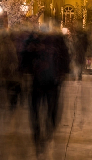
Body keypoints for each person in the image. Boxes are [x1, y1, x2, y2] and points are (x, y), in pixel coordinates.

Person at [21, 27, 70, 158]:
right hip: (52, 82)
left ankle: (38, 133)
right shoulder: (58, 43)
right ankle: (48, 128)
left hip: (38, 81)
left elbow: (25, 58)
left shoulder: (34, 42)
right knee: (50, 107)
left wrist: (24, 72)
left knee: (36, 109)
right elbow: (65, 58)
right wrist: (63, 73)